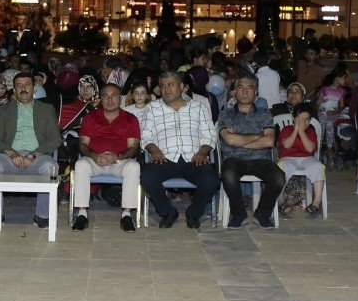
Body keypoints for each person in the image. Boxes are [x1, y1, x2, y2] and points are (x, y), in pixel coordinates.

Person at [140, 70, 218, 229]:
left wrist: (203, 152)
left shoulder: (199, 107)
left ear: (182, 86)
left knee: (211, 180)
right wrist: (154, 150)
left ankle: (194, 213)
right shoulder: (152, 108)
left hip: (194, 157)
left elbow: (209, 134)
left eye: (171, 84)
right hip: (164, 157)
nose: (166, 89)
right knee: (147, 176)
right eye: (163, 86)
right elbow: (146, 136)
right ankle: (168, 212)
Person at [0, 72, 62, 229]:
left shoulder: (47, 109)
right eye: (19, 85)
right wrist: (12, 154)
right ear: (13, 90)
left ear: (34, 88)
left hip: (37, 157)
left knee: (50, 167)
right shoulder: (4, 110)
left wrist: (33, 155)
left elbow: (55, 139)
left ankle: (42, 216)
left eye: (27, 84)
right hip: (10, 157)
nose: (23, 88)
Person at [71, 83, 141, 232]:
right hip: (95, 160)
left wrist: (117, 156)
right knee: (81, 165)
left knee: (134, 166)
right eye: (105, 96)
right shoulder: (90, 117)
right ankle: (82, 214)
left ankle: (126, 215)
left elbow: (133, 148)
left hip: (119, 161)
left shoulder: (130, 119)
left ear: (120, 98)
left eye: (114, 95)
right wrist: (94, 155)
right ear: (100, 99)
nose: (110, 100)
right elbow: (82, 144)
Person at [218, 74, 285, 229]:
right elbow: (229, 140)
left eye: (250, 87)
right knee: (227, 174)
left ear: (256, 92)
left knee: (278, 177)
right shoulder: (225, 114)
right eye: (240, 87)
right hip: (234, 159)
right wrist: (258, 137)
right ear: (234, 91)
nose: (245, 91)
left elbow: (269, 141)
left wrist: (238, 139)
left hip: (261, 159)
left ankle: (262, 214)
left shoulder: (265, 114)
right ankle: (239, 214)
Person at [276, 103, 324, 218]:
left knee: (318, 166)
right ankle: (280, 201)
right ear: (294, 118)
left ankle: (316, 202)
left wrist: (301, 132)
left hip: (307, 158)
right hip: (287, 157)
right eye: (300, 119)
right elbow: (286, 145)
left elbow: (310, 148)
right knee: (282, 167)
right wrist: (296, 129)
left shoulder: (311, 131)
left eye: (306, 119)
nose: (303, 122)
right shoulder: (287, 129)